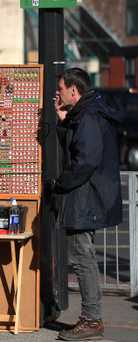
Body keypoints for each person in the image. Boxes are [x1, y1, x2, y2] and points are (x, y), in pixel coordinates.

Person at [46, 68, 123, 341]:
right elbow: (78, 151)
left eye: (61, 88)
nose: (58, 92)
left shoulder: (89, 118)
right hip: (86, 197)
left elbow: (84, 162)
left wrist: (60, 183)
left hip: (84, 199)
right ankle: (91, 318)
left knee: (83, 259)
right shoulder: (84, 115)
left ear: (74, 91)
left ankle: (91, 319)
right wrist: (63, 121)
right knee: (83, 258)